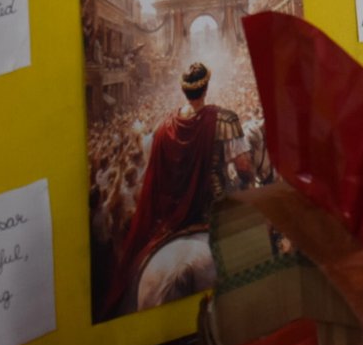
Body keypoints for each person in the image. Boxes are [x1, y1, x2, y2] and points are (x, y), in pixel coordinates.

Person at [101, 61, 252, 318]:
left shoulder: (163, 128)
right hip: (214, 209)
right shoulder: (225, 120)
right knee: (253, 248)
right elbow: (244, 167)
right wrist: (246, 181)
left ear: (184, 91)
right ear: (206, 88)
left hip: (171, 219)